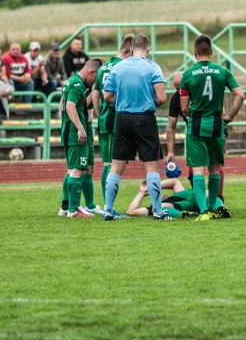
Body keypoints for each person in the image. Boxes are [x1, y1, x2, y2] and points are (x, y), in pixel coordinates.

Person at [101, 35, 168, 220]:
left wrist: (122, 101)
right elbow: (162, 97)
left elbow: (107, 95)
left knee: (116, 166)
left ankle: (108, 209)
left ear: (131, 49)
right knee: (151, 166)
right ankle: (158, 211)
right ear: (148, 49)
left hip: (122, 118)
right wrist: (147, 101)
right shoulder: (152, 66)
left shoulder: (119, 66)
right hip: (145, 118)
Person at [180, 35, 246, 221]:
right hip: (217, 125)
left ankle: (203, 212)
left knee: (198, 170)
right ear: (211, 52)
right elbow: (240, 96)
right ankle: (211, 208)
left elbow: (184, 108)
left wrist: (193, 108)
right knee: (215, 169)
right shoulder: (222, 71)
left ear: (194, 52)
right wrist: (230, 116)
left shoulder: (188, 74)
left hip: (196, 126)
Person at [166, 71, 227, 203]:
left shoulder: (204, 93)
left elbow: (223, 114)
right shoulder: (177, 98)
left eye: (182, 87)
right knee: (194, 171)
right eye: (177, 89)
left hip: (213, 132)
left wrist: (223, 135)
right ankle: (200, 202)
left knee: (215, 169)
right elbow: (171, 126)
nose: (180, 91)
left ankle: (217, 201)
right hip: (195, 134)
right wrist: (170, 151)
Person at [91, 34, 134, 203]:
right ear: (130, 50)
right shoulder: (124, 67)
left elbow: (95, 96)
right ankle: (108, 204)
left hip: (104, 119)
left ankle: (107, 203)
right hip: (118, 118)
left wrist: (100, 113)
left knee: (108, 163)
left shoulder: (103, 68)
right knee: (112, 164)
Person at [60, 58, 104, 218]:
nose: (96, 82)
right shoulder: (77, 84)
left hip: (71, 130)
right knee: (76, 170)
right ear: (91, 72)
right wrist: (80, 128)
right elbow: (69, 106)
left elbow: (65, 106)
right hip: (75, 133)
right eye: (96, 78)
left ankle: (66, 207)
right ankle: (73, 210)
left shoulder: (72, 82)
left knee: (75, 169)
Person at [125, 177, 228, 219]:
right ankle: (183, 215)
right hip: (187, 206)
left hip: (197, 197)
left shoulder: (178, 193)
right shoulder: (154, 207)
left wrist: (155, 187)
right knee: (159, 209)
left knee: (205, 192)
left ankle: (220, 208)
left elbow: (174, 181)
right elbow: (131, 211)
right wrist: (142, 192)